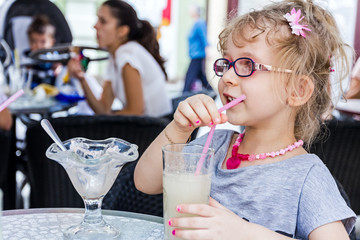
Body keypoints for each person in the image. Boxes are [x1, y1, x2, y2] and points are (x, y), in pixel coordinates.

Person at [134, 0, 356, 239]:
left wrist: (245, 232)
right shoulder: (215, 145)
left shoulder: (306, 176)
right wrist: (179, 127)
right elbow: (145, 182)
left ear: (297, 90)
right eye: (227, 63)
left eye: (246, 64)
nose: (228, 76)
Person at [68, 0, 172, 117]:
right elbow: (103, 109)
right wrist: (82, 78)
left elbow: (135, 112)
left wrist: (104, 121)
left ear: (122, 31)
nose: (95, 26)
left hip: (154, 130)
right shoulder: (115, 56)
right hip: (146, 128)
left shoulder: (127, 54)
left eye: (103, 21)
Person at [182, 4, 212, 93]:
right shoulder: (195, 23)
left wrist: (208, 50)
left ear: (195, 12)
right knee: (201, 76)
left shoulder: (200, 23)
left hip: (198, 55)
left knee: (189, 76)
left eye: (191, 10)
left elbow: (204, 37)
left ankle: (183, 94)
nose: (189, 11)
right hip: (194, 54)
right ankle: (212, 91)